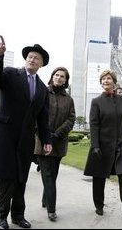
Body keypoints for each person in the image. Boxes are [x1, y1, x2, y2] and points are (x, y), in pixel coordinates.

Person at [0, 36, 52, 229]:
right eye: (30, 56)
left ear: (42, 63)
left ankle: (18, 215)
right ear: (25, 59)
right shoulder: (11, 74)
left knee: (21, 177)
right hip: (5, 134)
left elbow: (43, 118)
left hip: (26, 138)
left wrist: (46, 140)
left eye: (36, 58)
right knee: (7, 177)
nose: (32, 60)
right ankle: (1, 216)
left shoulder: (42, 89)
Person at [84, 69, 122, 217]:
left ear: (113, 81)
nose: (105, 81)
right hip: (102, 145)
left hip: (120, 144)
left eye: (108, 78)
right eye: (103, 79)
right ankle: (99, 205)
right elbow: (94, 125)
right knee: (99, 176)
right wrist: (95, 145)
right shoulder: (96, 102)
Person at [34, 67, 75, 222]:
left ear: (65, 80)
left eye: (62, 76)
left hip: (58, 142)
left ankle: (46, 199)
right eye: (56, 75)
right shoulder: (43, 93)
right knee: (48, 175)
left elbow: (71, 119)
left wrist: (57, 135)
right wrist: (44, 136)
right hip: (42, 142)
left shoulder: (68, 99)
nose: (59, 78)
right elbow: (35, 115)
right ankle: (52, 209)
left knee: (53, 174)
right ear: (52, 77)